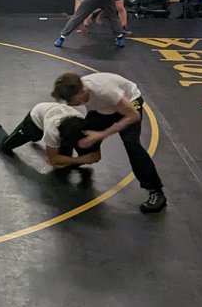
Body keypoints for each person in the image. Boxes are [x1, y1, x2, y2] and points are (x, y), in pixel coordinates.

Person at [52, 71, 167, 213]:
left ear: (82, 91)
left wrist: (101, 135)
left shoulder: (105, 91)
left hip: (129, 104)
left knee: (131, 143)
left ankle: (156, 191)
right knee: (80, 132)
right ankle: (77, 158)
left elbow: (133, 116)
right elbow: (92, 109)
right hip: (105, 107)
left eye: (71, 100)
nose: (70, 103)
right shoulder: (80, 89)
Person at [0, 100, 100, 170]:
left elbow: (96, 156)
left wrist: (85, 158)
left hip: (60, 122)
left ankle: (38, 138)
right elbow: (53, 159)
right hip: (35, 120)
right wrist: (80, 159)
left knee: (65, 160)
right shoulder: (53, 129)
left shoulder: (86, 128)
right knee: (5, 147)